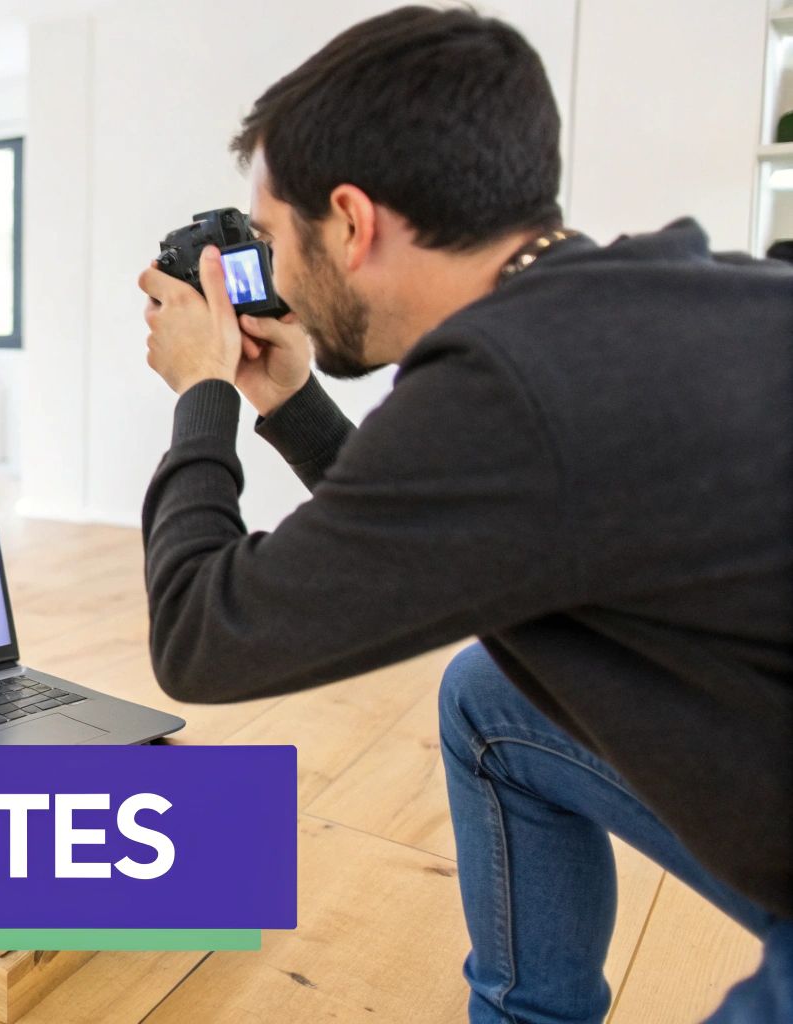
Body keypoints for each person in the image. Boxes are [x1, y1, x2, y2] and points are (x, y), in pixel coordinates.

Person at [134, 7, 792, 1022]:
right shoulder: (638, 300)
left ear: (349, 222)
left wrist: (201, 391)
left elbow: (200, 638)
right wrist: (287, 398)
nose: (276, 274)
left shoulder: (508, 391)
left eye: (271, 239)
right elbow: (462, 531)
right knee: (492, 695)